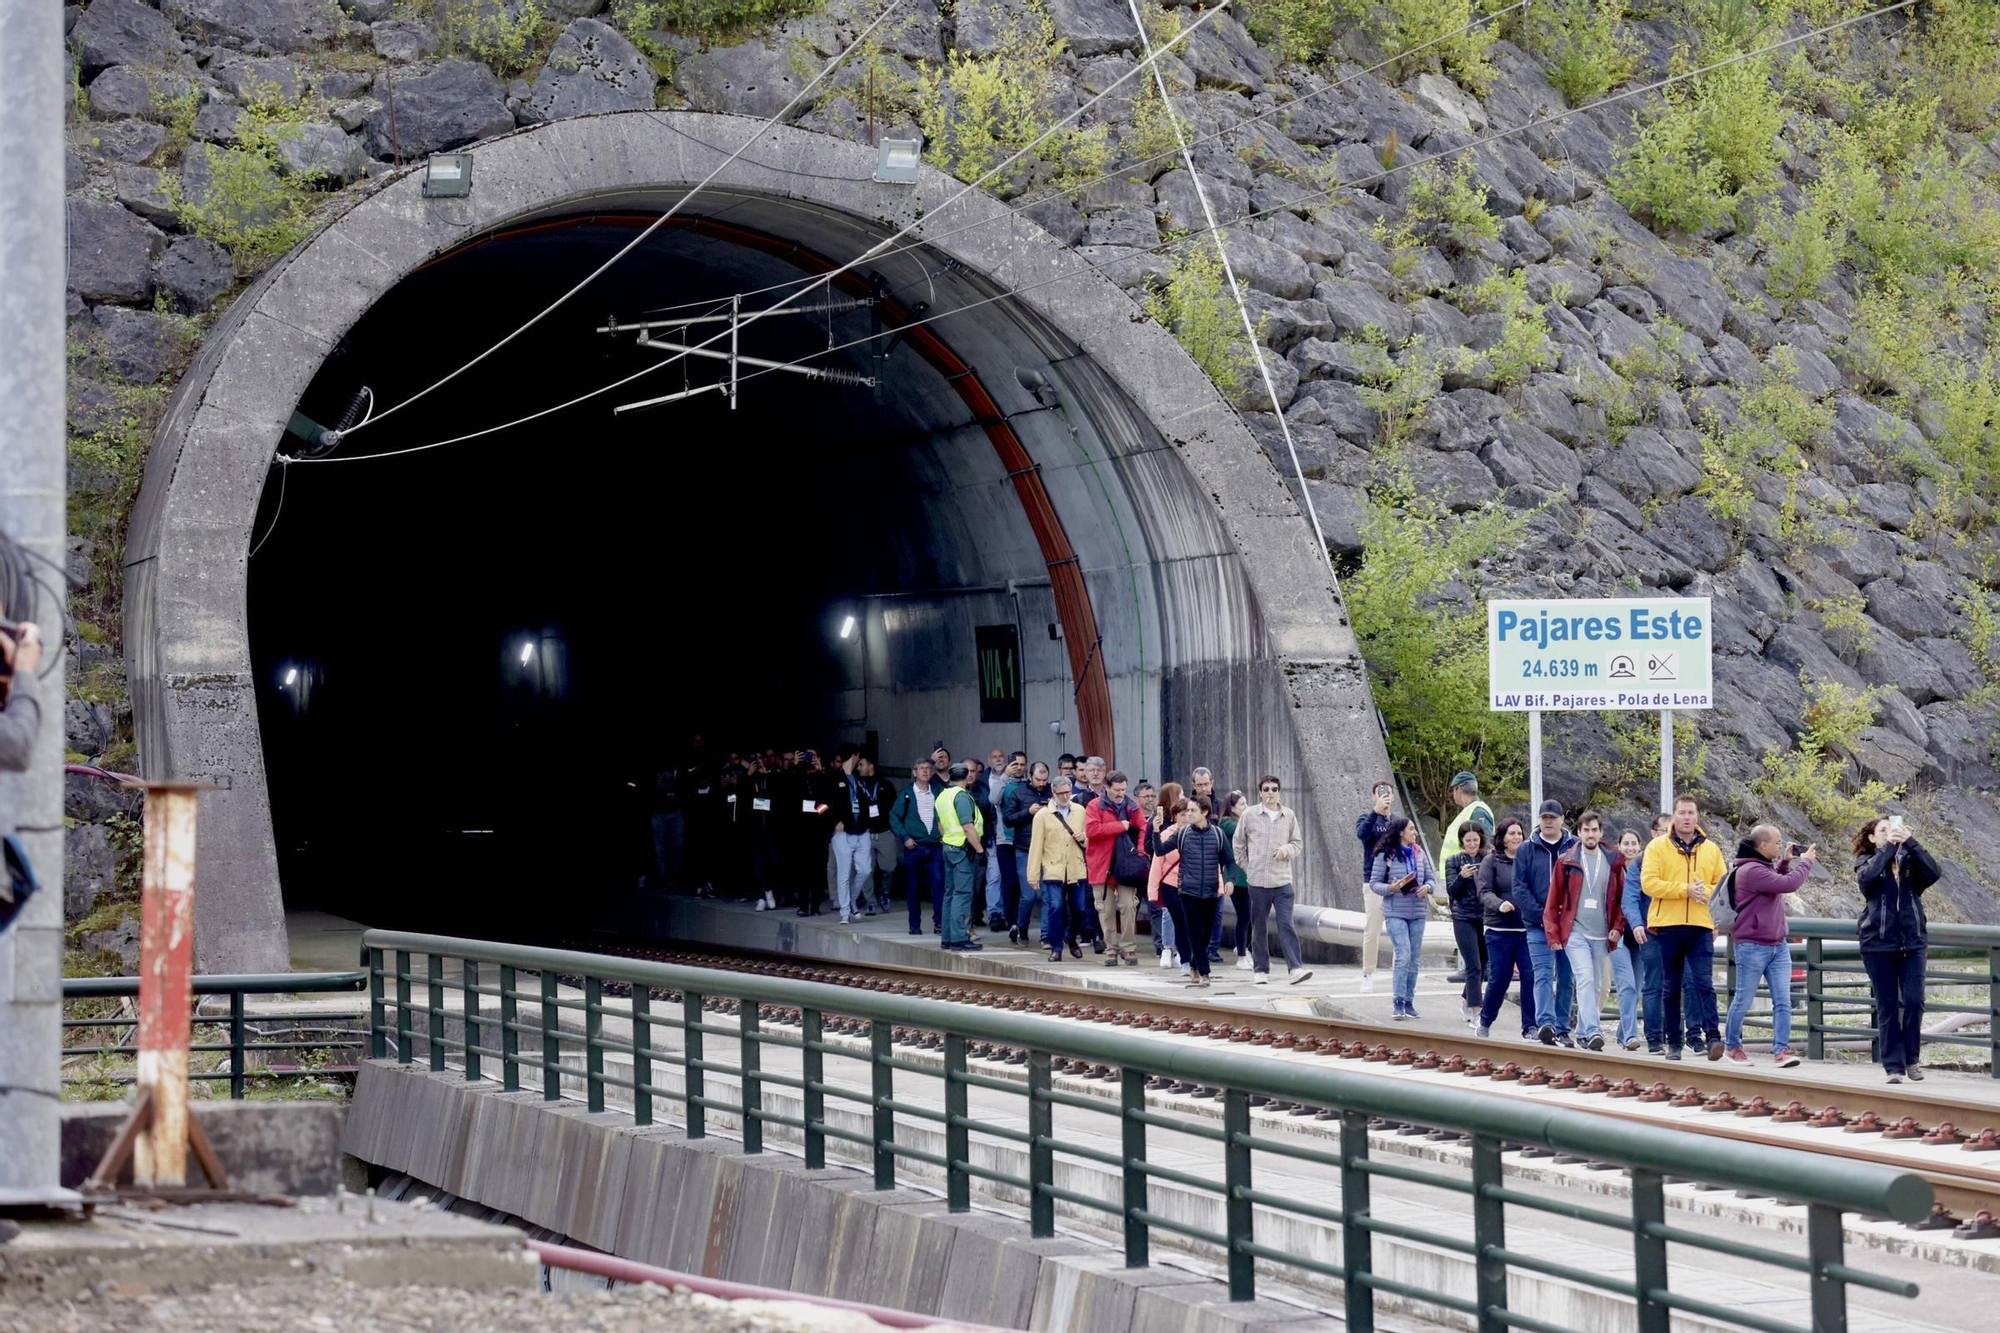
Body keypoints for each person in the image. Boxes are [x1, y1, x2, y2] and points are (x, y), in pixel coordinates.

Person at [1640, 794, 1727, 1062]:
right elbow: (1649, 883)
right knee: (1671, 985)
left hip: (1701, 925)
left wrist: (1704, 893)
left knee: (1703, 983)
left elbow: (1723, 886)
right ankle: (1674, 1043)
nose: (1687, 817)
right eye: (1682, 813)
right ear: (1674, 816)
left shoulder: (1711, 849)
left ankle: (1713, 1037)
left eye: (1691, 813)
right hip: (1668, 925)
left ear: (1697, 817)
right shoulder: (1657, 847)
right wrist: (1684, 890)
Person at [1855, 815, 1941, 1083]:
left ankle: (1912, 1059)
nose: (1888, 834)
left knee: (1915, 1002)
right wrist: (1889, 849)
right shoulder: (1866, 862)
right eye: (1882, 831)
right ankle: (1893, 1067)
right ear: (1872, 838)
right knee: (1888, 1005)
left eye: (1891, 830)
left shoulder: (1909, 862)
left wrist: (1911, 843)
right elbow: (1867, 881)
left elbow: (1934, 873)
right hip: (1877, 944)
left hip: (1912, 942)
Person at [1724, 825, 1814, 1067]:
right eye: (1776, 842)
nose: (1779, 845)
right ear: (1762, 845)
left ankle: (1781, 1050)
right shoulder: (1750, 870)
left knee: (1783, 999)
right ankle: (1732, 1046)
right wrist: (1805, 862)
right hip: (1752, 944)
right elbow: (1787, 885)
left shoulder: (1761, 867)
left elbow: (1777, 880)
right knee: (1743, 998)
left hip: (1777, 944)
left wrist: (1784, 862)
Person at [1543, 811, 1628, 1052]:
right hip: (1575, 933)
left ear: (1601, 832)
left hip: (1602, 934)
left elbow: (1621, 900)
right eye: (1585, 830)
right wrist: (1553, 933)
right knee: (1585, 978)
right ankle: (1593, 1030)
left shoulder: (1613, 861)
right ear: (1578, 833)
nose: (1590, 834)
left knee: (1596, 985)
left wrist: (1617, 928)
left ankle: (1582, 1033)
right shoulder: (1567, 860)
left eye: (1594, 830)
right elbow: (1553, 899)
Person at [1623, 812, 1702, 1053]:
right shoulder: (1642, 860)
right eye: (1664, 830)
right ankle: (1655, 1037)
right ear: (1654, 833)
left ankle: (1693, 1036)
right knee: (1654, 984)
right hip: (1653, 931)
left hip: (1684, 928)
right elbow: (1630, 897)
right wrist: (1636, 923)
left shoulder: (1688, 856)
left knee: (1691, 982)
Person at [1233, 776, 1313, 986]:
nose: (1270, 793)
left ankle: (1295, 968)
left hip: (1282, 880)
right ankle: (1261, 969)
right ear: (1260, 792)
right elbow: (1238, 842)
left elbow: (1297, 843)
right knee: (1259, 926)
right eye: (1266, 789)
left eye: (1274, 789)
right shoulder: (1249, 815)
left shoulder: (1289, 816)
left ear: (1279, 791)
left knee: (1286, 923)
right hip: (1258, 881)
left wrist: (1285, 851)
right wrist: (1247, 866)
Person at [1514, 800, 1578, 1047]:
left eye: (1553, 817)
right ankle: (1546, 1024)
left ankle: (1562, 1027)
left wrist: (1566, 916)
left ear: (1562, 820)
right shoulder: (1526, 849)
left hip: (1569, 926)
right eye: (1544, 817)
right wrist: (1543, 914)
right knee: (1542, 973)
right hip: (1538, 925)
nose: (1548, 821)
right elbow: (1519, 886)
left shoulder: (1575, 847)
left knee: (1566, 976)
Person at [1162, 795, 1236, 988]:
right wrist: (1154, 831)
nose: (1188, 814)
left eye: (1193, 810)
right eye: (1187, 810)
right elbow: (1160, 850)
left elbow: (1229, 861)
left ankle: (1195, 965)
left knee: (1206, 934)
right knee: (1195, 932)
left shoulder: (1218, 834)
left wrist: (1229, 880)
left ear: (1204, 813)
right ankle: (1205, 973)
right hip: (1188, 891)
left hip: (1211, 891)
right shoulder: (1183, 833)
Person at [1368, 816, 1438, 1019]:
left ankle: (1409, 1001)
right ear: (1401, 832)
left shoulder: (1420, 853)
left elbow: (1431, 878)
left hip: (1417, 911)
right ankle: (1398, 1002)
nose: (1415, 832)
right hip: (1395, 912)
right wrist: (1391, 887)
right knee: (1403, 954)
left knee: (1415, 959)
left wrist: (1428, 887)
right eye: (1411, 829)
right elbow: (1374, 884)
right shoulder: (1386, 855)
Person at [1476, 818, 1534, 1039]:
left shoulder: (1527, 859)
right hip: (1499, 931)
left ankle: (1530, 1026)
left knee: (1530, 976)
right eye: (1511, 834)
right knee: (1500, 978)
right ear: (1502, 838)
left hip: (1526, 930)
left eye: (1519, 833)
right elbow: (1483, 891)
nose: (1516, 837)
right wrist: (1500, 904)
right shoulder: (1491, 861)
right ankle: (1485, 1020)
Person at [1085, 770, 1147, 965]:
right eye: (1117, 789)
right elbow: (1092, 831)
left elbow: (1144, 828)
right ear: (1107, 787)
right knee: (1106, 910)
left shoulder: (1132, 805)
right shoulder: (1094, 805)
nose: (1121, 793)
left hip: (1126, 865)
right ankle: (1111, 948)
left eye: (1123, 789)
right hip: (1102, 866)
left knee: (1129, 906)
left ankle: (1128, 948)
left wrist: (1140, 851)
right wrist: (1120, 826)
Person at [1026, 775, 1091, 962]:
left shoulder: (1080, 811)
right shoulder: (1042, 815)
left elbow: (1090, 839)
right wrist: (1033, 874)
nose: (1064, 797)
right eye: (1060, 793)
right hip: (1053, 868)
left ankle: (1071, 936)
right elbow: (1036, 845)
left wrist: (1084, 838)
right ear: (1053, 793)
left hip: (1076, 867)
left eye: (1067, 793)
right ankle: (1056, 947)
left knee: (1080, 909)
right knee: (1056, 907)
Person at [890, 756, 947, 935]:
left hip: (935, 846)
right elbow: (893, 817)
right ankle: (914, 924)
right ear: (914, 772)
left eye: (928, 769)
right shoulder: (906, 794)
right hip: (914, 847)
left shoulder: (938, 791)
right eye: (921, 768)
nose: (925, 771)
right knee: (913, 886)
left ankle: (939, 922)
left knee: (939, 883)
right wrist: (905, 837)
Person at [937, 762, 986, 951]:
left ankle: (947, 938)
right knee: (962, 894)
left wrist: (947, 839)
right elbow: (968, 826)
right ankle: (958, 938)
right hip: (963, 850)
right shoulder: (962, 796)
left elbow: (940, 824)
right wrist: (980, 850)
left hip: (949, 847)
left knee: (949, 893)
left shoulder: (942, 795)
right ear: (967, 777)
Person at [1145, 790, 1193, 980]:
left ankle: (1184, 953)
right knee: (1173, 917)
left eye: (1189, 813)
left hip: (1192, 884)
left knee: (1189, 920)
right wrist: (1153, 890)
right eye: (1182, 815)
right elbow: (1158, 861)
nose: (1186, 818)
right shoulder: (1167, 834)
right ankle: (1171, 951)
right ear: (1175, 816)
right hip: (1170, 882)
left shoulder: (1199, 833)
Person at [1443, 825, 1488, 1022]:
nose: (1472, 844)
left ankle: (1466, 999)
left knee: (1484, 962)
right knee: (1473, 965)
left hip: (1485, 915)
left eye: (1475, 840)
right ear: (1462, 841)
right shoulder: (1453, 860)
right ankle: (1477, 1010)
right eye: (1468, 841)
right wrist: (1462, 877)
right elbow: (1452, 891)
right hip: (1462, 916)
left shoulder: (1488, 858)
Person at [1003, 761, 1050, 945]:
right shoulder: (1018, 793)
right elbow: (1007, 820)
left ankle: (1046, 934)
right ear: (1030, 776)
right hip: (1025, 849)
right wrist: (1028, 812)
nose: (1041, 783)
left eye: (1045, 779)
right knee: (1028, 895)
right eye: (1038, 779)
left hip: (1047, 849)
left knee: (1048, 894)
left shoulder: (1051, 792)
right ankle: (1022, 927)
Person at [1353, 782, 1393, 993]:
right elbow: (1362, 834)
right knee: (1373, 930)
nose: (1385, 796)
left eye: (1388, 793)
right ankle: (1368, 973)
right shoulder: (1366, 818)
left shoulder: (1397, 821)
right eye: (1381, 793)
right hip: (1373, 882)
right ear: (1373, 796)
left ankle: (1399, 972)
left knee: (1399, 929)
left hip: (1395, 882)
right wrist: (1376, 811)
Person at [827, 745, 875, 924]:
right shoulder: (833, 778)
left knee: (865, 870)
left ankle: (853, 898)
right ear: (852, 757)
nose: (858, 761)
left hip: (861, 832)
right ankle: (845, 911)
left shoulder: (859, 779)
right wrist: (834, 822)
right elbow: (821, 805)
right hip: (842, 834)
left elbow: (868, 803)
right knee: (844, 874)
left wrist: (868, 824)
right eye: (857, 757)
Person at [1610, 829, 1647, 1049]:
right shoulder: (1613, 870)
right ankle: (1630, 1036)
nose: (1630, 848)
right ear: (1619, 845)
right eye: (1626, 843)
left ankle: (1622, 1031)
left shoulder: (1646, 868)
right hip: (1619, 934)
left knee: (1639, 987)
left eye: (1634, 843)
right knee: (1627, 986)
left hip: (1641, 934)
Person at [988, 751, 1027, 931]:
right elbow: (993, 799)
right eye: (1015, 764)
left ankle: (1020, 921)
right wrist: (1004, 776)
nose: (1019, 768)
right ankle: (1011, 920)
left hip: (1025, 841)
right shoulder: (1002, 783)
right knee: (1009, 882)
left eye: (1022, 764)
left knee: (1023, 883)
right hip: (1005, 841)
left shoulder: (1029, 785)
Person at [856, 754, 897, 916]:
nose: (859, 768)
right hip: (865, 834)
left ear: (871, 766)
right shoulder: (857, 785)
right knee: (867, 870)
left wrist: (892, 828)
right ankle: (870, 901)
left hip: (884, 832)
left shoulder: (885, 785)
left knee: (889, 867)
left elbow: (894, 808)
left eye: (861, 764)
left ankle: (885, 892)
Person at [1219, 790, 1253, 966]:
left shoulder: (1242, 821)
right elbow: (1245, 831)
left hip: (1249, 876)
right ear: (1232, 808)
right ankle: (1242, 952)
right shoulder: (1227, 823)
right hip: (1236, 878)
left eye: (1246, 803)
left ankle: (1244, 947)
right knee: (1244, 915)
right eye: (1242, 804)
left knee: (1251, 915)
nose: (1246, 807)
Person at [965, 755, 998, 932]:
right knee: (960, 890)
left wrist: (992, 840)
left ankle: (970, 924)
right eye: (967, 771)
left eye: (974, 771)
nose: (971, 775)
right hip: (959, 848)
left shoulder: (984, 790)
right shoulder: (953, 792)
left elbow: (992, 816)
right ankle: (958, 928)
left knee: (976, 888)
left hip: (981, 845)